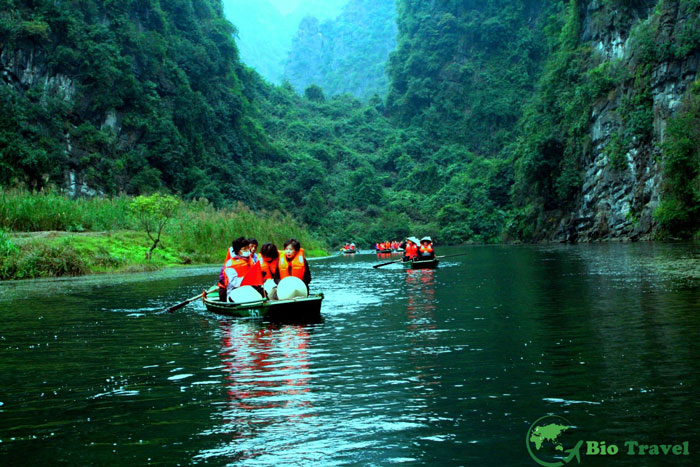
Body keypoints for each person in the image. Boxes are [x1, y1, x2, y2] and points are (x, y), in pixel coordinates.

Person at [218, 237, 251, 301]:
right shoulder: (230, 264)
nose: (247, 250)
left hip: (248, 289)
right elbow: (234, 283)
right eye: (244, 249)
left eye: (248, 248)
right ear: (238, 251)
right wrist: (250, 280)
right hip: (233, 292)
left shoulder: (251, 261)